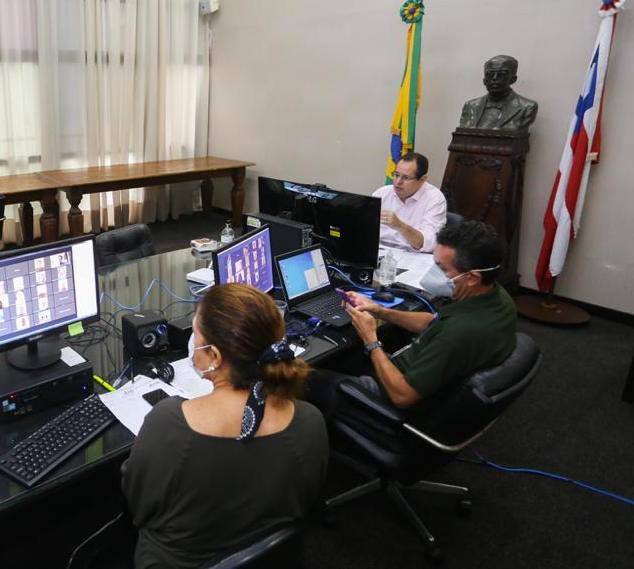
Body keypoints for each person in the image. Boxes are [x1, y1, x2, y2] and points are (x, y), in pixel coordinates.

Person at [121, 284, 328, 568]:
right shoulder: (311, 420)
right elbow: (308, 500)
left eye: (195, 333)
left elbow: (138, 509)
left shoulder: (169, 424)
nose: (192, 341)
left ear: (215, 356)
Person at [308, 221, 516, 413]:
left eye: (442, 268)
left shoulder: (458, 334)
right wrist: (380, 310)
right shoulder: (496, 297)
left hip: (394, 394)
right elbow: (433, 322)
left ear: (472, 278)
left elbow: (402, 396)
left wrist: (371, 339)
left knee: (304, 374)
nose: (433, 272)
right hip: (417, 368)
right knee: (345, 355)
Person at [372, 152, 446, 252]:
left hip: (413, 255)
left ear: (422, 179)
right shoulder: (382, 193)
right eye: (396, 175)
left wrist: (400, 226)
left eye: (406, 178)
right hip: (379, 250)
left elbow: (429, 243)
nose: (398, 182)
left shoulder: (435, 199)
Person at [458, 55, 538, 131]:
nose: (495, 78)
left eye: (502, 74)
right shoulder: (470, 106)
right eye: (490, 74)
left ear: (513, 79)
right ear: (484, 80)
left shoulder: (527, 107)